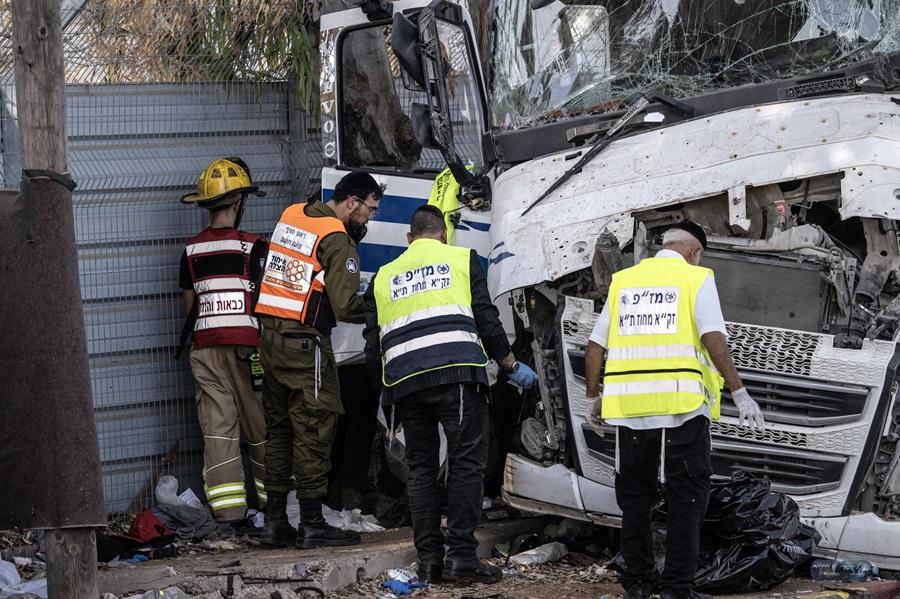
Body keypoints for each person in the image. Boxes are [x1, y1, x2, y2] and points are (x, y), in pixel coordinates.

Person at [583, 221, 766, 599]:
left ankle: (638, 584)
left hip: (630, 411)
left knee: (635, 501)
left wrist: (592, 397)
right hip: (681, 409)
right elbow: (711, 336)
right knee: (687, 500)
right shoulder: (696, 278)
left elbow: (595, 345)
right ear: (695, 252)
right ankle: (677, 590)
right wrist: (740, 391)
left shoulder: (624, 281)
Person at [363, 205, 539, 584]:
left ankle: (430, 561)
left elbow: (372, 344)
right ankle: (462, 557)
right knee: (465, 465)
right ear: (443, 233)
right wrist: (510, 366)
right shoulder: (462, 259)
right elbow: (486, 320)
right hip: (456, 375)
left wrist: (384, 392)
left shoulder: (383, 276)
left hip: (406, 383)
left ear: (409, 239)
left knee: (421, 470)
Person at [256, 171, 383, 549]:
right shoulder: (337, 239)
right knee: (313, 432)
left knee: (278, 433)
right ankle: (312, 523)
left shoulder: (293, 215)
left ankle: (274, 522)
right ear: (351, 202)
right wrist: (382, 307)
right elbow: (345, 306)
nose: (369, 219)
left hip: (270, 341)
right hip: (305, 349)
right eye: (370, 210)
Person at [178, 157, 269, 526]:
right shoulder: (254, 246)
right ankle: (272, 506)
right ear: (238, 203)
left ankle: (229, 513)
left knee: (219, 430)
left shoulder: (192, 250)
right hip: (250, 349)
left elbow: (190, 304)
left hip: (206, 348)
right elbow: (267, 302)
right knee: (262, 426)